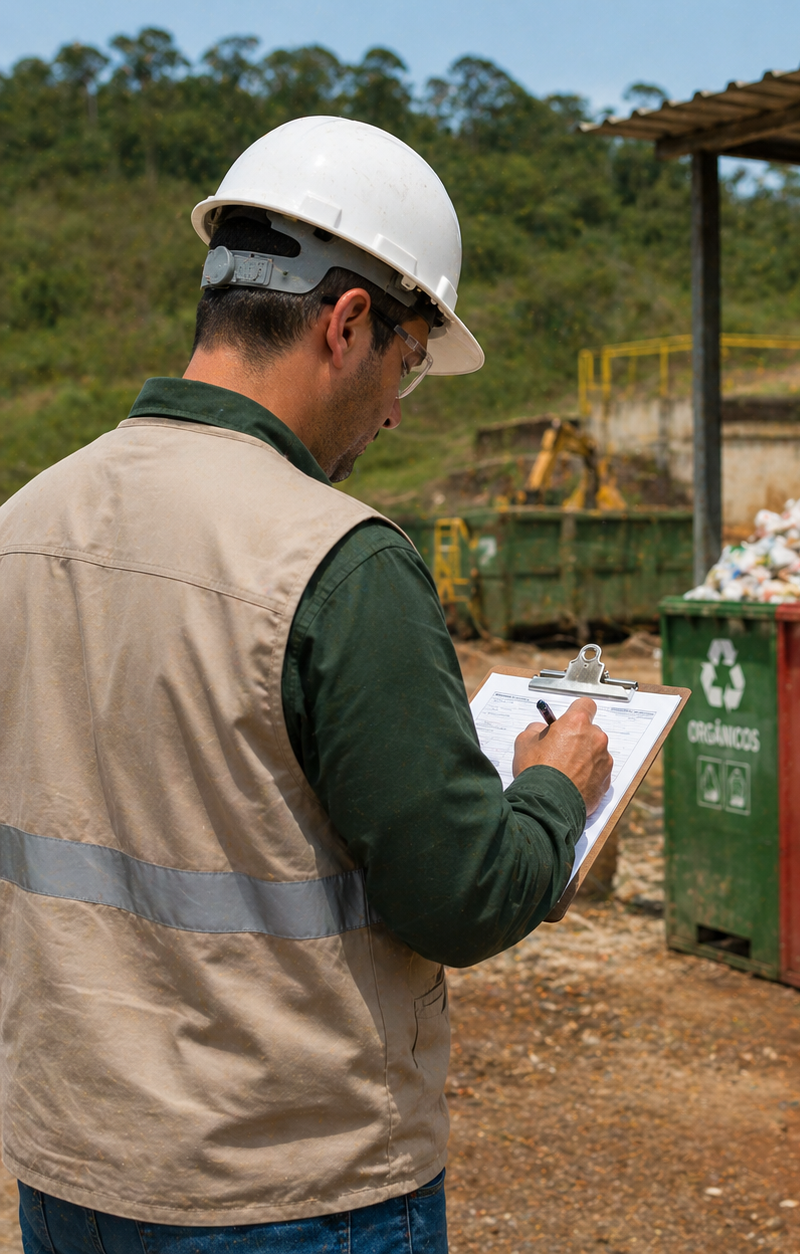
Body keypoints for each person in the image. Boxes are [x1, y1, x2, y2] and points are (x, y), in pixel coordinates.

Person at [0, 115, 612, 1254]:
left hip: (69, 1172)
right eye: (408, 366)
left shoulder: (24, 526)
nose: (390, 411)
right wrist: (554, 790)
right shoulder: (338, 561)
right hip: (286, 1195)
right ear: (346, 324)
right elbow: (461, 897)